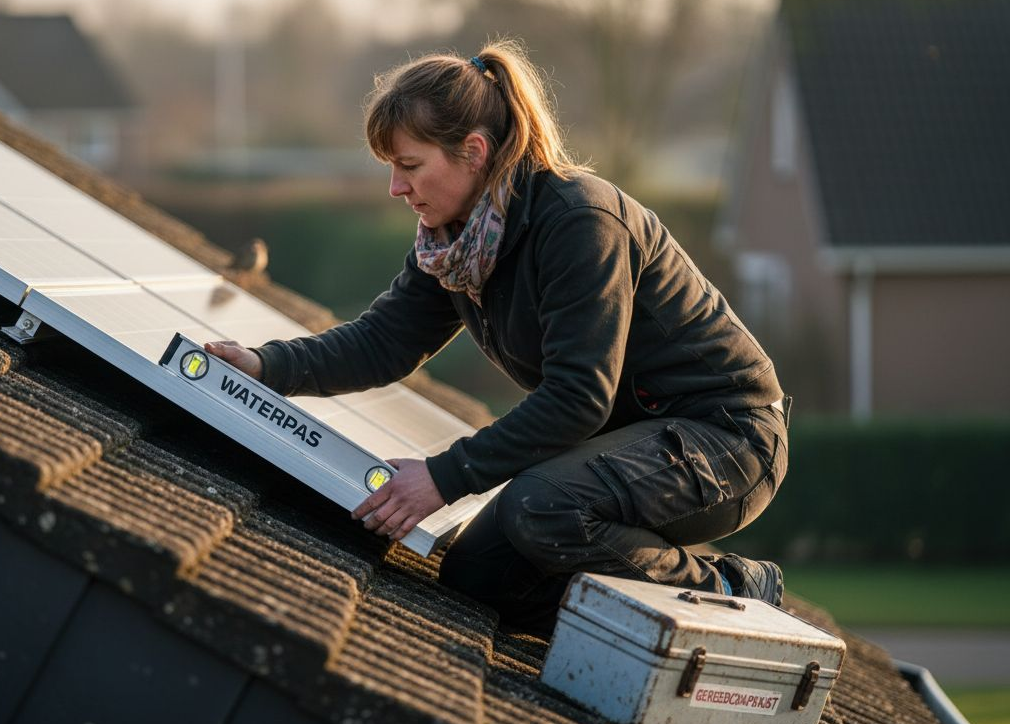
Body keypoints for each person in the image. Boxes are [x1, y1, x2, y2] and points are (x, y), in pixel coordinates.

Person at [204, 39, 790, 637]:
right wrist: (262, 365)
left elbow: (578, 397)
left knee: (540, 507)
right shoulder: (457, 244)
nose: (395, 188)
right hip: (628, 446)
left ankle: (727, 589)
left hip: (729, 439)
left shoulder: (580, 223)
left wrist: (444, 476)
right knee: (476, 577)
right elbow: (382, 342)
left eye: (410, 166)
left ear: (474, 152)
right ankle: (621, 628)